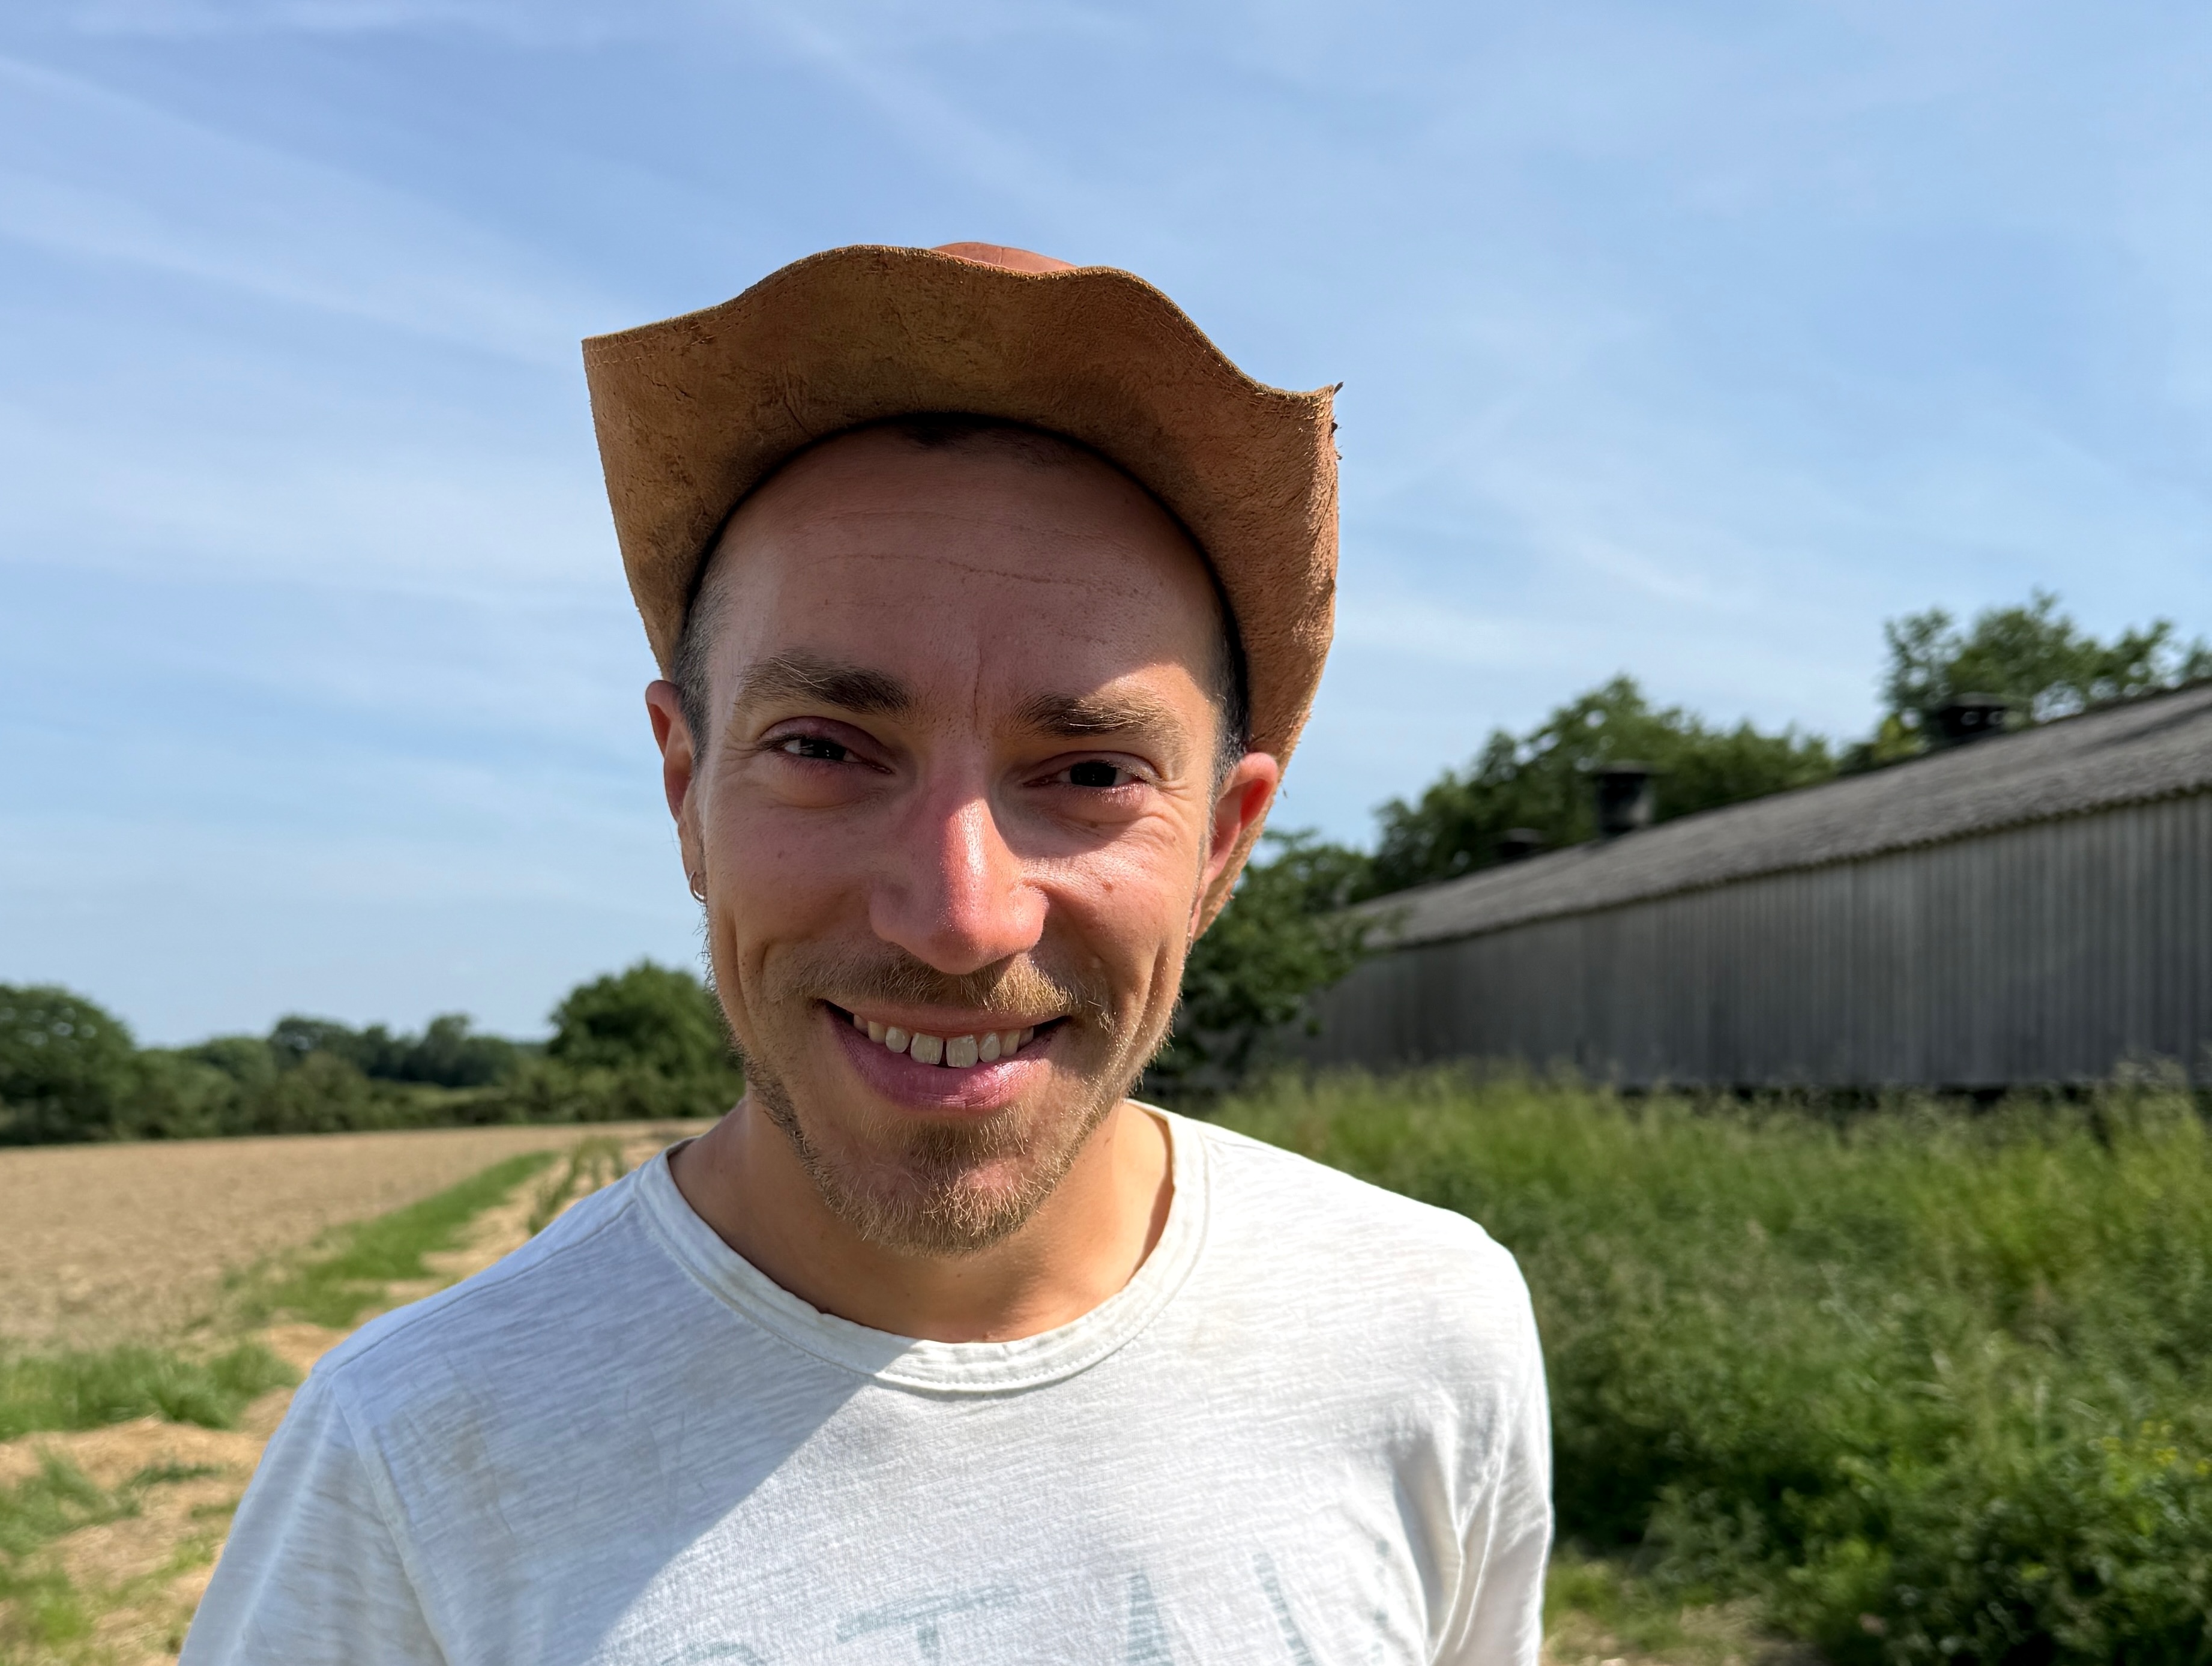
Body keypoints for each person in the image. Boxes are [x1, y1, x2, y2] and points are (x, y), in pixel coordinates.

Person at [183, 243, 1550, 1665]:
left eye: (1090, 772)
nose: (960, 915)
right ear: (685, 790)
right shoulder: (412, 1455)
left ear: (1221, 841)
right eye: (826, 748)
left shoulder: (1427, 1328)